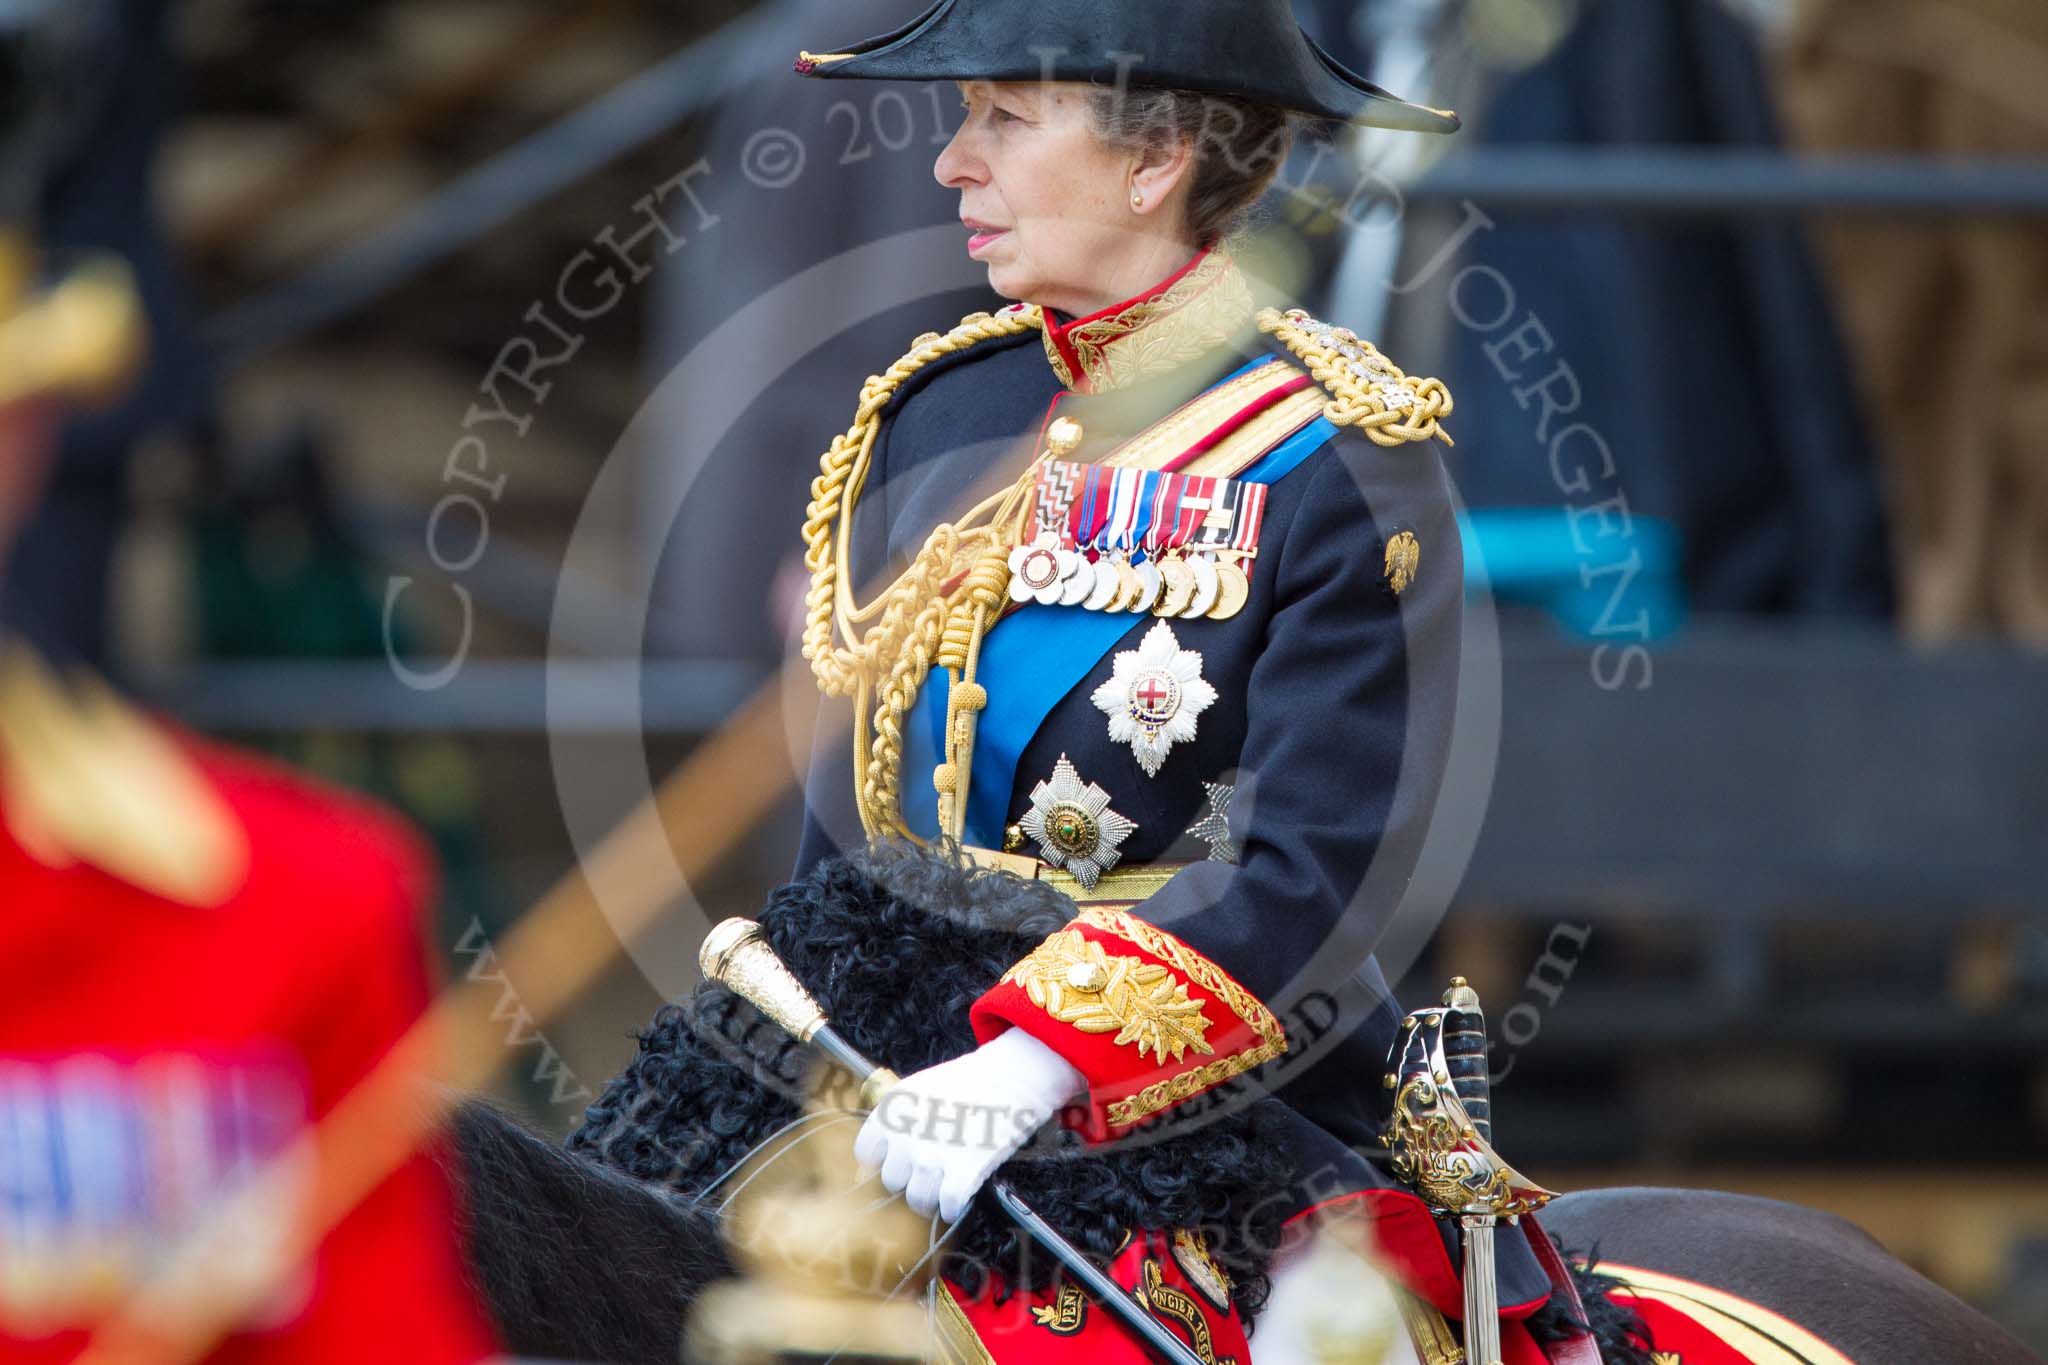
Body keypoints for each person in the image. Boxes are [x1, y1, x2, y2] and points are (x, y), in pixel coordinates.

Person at [586, 2, 1603, 1360]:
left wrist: (1036, 1060)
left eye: (1004, 118)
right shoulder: (934, 415)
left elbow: (1315, 870)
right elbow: (854, 836)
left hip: (1197, 1107)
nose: (955, 162)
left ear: (1155, 158)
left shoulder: (1339, 458)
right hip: (883, 1075)